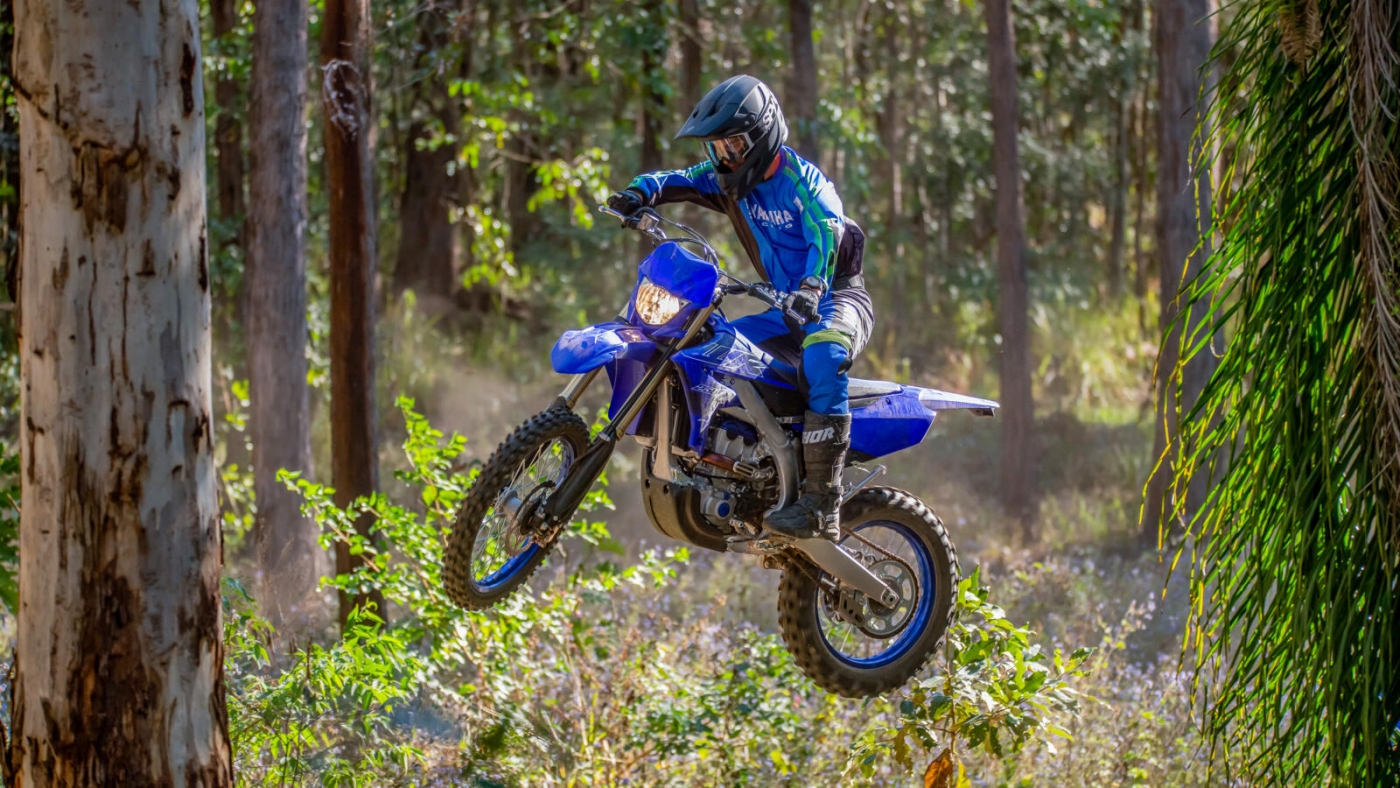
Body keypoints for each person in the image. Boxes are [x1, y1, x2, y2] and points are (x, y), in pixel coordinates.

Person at [607, 74, 872, 542]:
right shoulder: (729, 182)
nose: (724, 156)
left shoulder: (805, 184)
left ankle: (821, 503)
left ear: (763, 135)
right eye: (717, 147)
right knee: (711, 347)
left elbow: (826, 231)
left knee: (824, 353)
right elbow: (678, 180)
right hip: (783, 307)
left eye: (733, 145)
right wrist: (639, 192)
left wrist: (812, 286)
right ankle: (737, 468)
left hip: (834, 298)